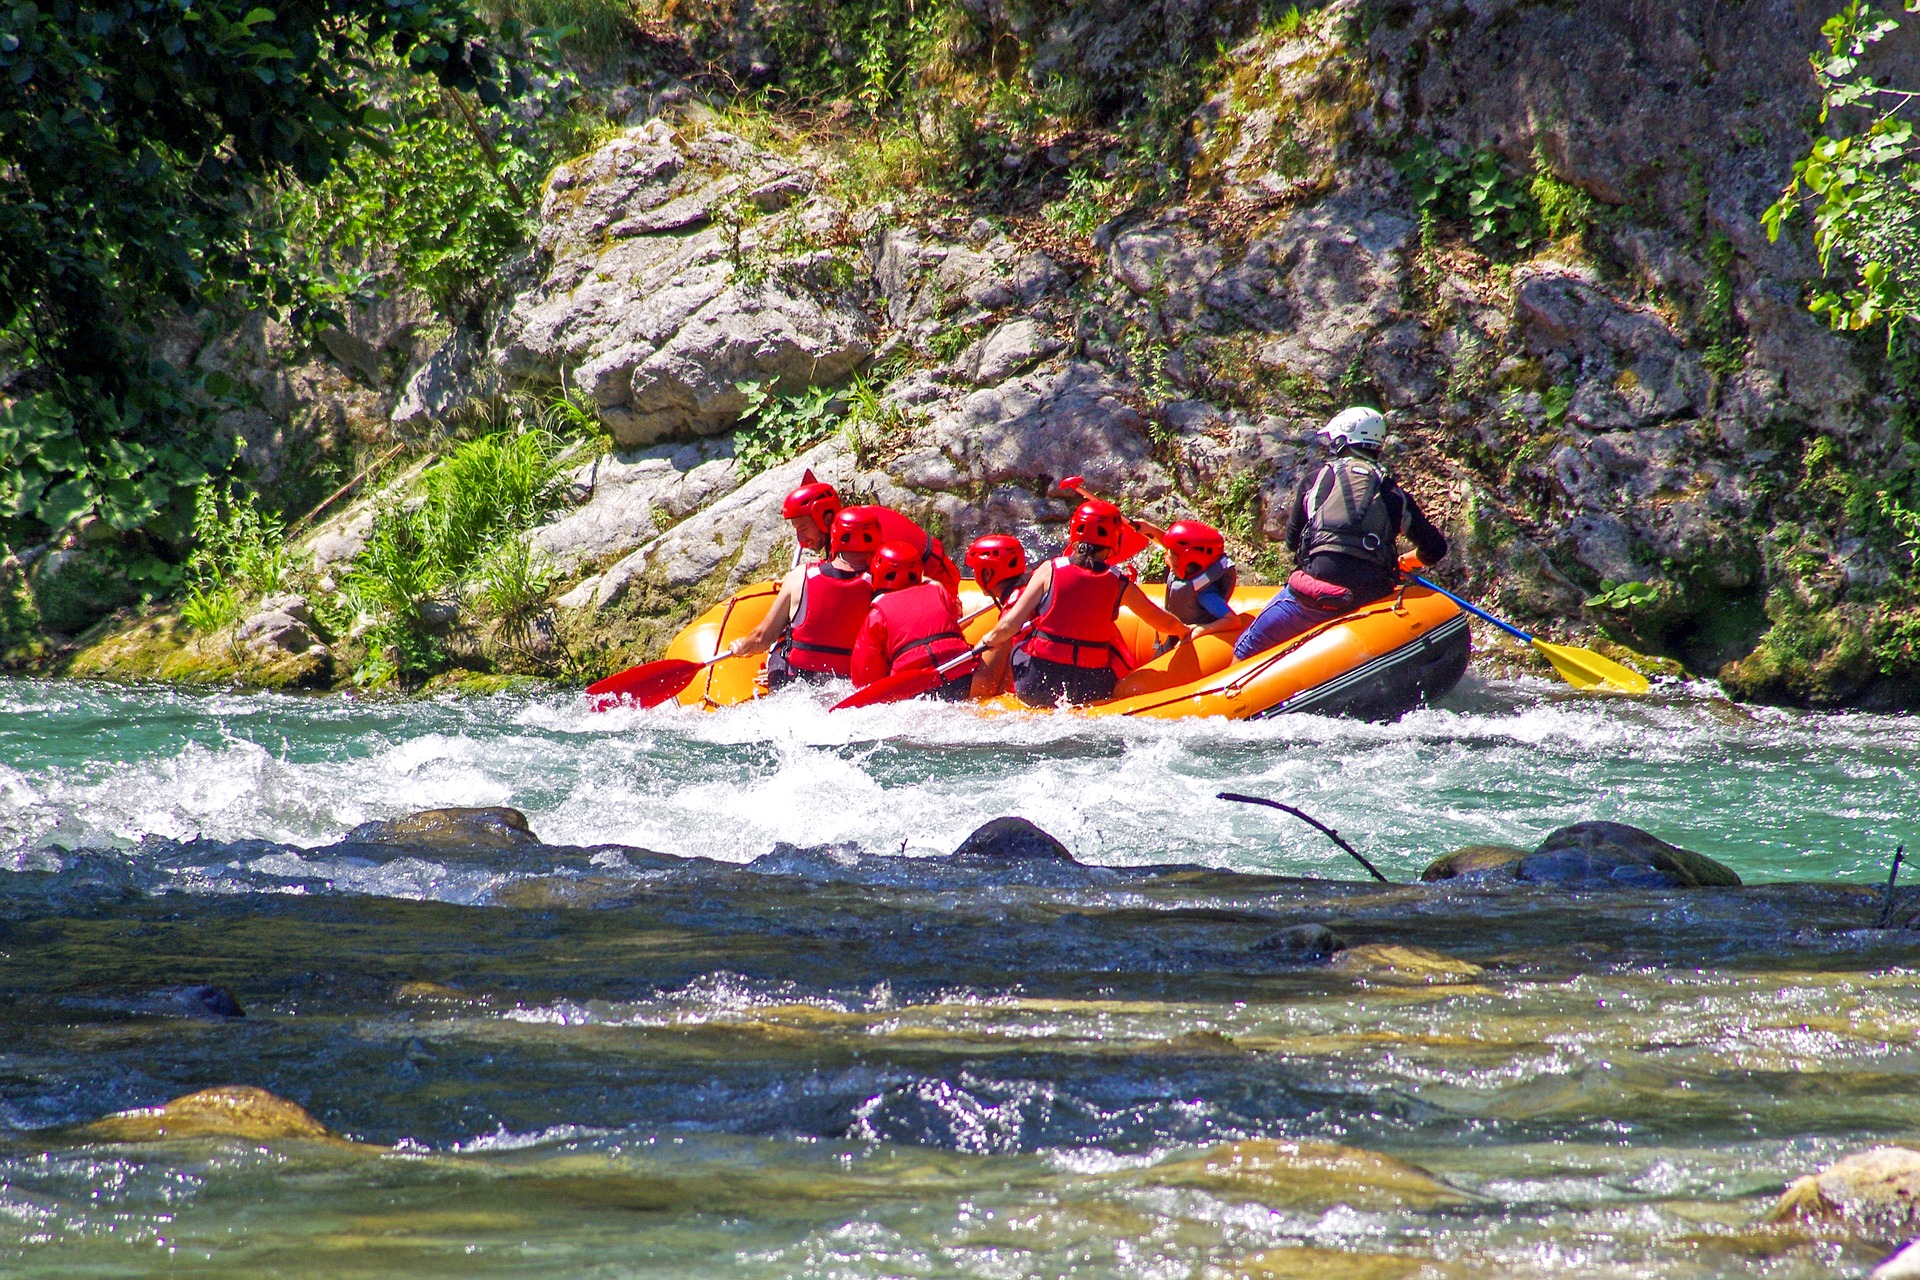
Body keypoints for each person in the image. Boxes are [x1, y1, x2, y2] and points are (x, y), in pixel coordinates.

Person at [1233, 406, 1448, 660]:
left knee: (1245, 648)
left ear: (1342, 441)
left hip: (1317, 594)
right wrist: (1406, 562)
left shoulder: (1315, 480)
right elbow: (1435, 548)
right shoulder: (1393, 493)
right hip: (1372, 597)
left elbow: (1292, 542)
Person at [979, 500, 1196, 706]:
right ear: (1115, 540)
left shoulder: (1049, 570)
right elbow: (1162, 622)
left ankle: (1005, 695)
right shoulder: (1120, 583)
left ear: (1074, 534)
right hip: (1091, 687)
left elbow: (1009, 626)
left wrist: (989, 640)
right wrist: (1186, 631)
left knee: (1020, 641)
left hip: (1037, 685)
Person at [727, 505, 880, 687]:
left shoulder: (801, 576)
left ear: (836, 535)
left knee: (778, 655)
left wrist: (741, 647)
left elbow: (762, 638)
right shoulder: (883, 585)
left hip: (799, 687)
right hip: (850, 686)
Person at [779, 470, 961, 590]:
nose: (801, 538)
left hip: (937, 581)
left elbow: (852, 587)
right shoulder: (847, 527)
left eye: (803, 528)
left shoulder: (857, 534)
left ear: (825, 518)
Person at [849, 541, 976, 700]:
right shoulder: (940, 593)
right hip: (963, 675)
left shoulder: (877, 615)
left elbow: (865, 678)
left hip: (915, 692)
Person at [963, 534, 1031, 698]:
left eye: (976, 570)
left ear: (987, 573)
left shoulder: (1011, 613)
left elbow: (983, 687)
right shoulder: (1030, 591)